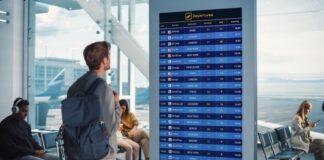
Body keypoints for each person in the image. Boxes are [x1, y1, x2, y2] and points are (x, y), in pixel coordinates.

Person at [67, 41, 121, 160]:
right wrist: (116, 103)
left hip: (77, 151)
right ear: (104, 60)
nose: (110, 59)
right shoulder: (103, 88)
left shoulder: (73, 87)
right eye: (109, 55)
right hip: (100, 153)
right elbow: (112, 127)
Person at [113, 91, 140, 160]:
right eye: (117, 97)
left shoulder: (118, 110)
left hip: (120, 135)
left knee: (137, 146)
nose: (117, 99)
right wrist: (117, 127)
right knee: (129, 148)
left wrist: (119, 127)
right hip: (114, 136)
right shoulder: (111, 110)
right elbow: (108, 126)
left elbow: (136, 123)